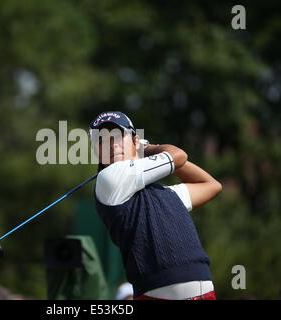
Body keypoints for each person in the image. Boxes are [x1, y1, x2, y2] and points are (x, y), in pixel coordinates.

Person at [89, 111, 222, 300]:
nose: (111, 143)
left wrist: (143, 150)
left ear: (135, 140)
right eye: (101, 140)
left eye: (117, 135)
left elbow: (211, 185)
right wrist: (147, 149)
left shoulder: (167, 193)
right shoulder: (108, 178)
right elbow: (178, 155)